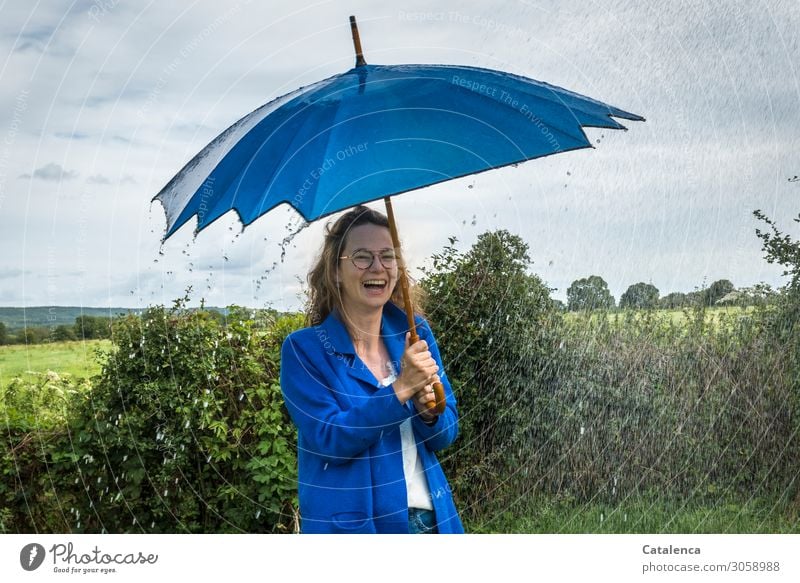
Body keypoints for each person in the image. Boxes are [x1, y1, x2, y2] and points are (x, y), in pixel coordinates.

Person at [280, 205, 464, 534]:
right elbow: (329, 439)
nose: (377, 267)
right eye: (362, 256)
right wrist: (399, 390)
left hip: (431, 522)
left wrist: (429, 413)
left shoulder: (415, 334)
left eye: (387, 256)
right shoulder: (304, 350)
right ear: (335, 270)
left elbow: (446, 434)